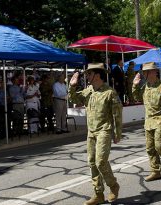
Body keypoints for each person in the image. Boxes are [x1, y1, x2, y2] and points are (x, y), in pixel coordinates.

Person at [69, 63, 122, 205]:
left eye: (89, 74)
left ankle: (113, 185)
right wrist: (72, 86)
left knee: (100, 161)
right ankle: (98, 194)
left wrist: (117, 133)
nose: (86, 76)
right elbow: (73, 99)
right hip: (91, 131)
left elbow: (117, 114)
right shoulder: (88, 91)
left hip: (104, 130)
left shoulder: (110, 92)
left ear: (97, 75)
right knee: (92, 162)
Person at [132, 62, 161, 181]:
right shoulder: (145, 87)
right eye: (144, 72)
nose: (144, 74)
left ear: (154, 72)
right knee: (150, 148)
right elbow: (136, 98)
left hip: (160, 120)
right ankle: (155, 171)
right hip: (148, 121)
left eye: (147, 71)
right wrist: (135, 85)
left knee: (160, 146)